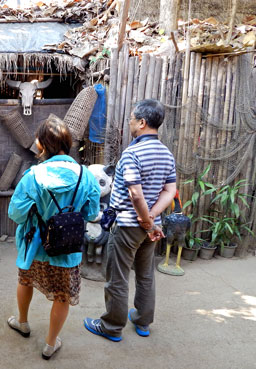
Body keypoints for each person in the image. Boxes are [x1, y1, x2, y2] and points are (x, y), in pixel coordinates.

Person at [7, 116, 101, 360]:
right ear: (66, 143)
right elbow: (91, 213)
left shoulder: (33, 175)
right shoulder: (85, 175)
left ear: (42, 145)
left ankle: (23, 322)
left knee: (25, 280)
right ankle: (50, 343)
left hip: (35, 247)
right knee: (62, 295)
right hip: (67, 250)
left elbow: (15, 214)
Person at [83, 99, 176, 342]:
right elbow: (169, 190)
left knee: (118, 276)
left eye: (132, 119)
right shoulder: (166, 153)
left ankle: (112, 326)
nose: (130, 123)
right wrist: (153, 219)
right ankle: (143, 321)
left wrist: (146, 220)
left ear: (142, 123)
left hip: (128, 225)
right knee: (145, 274)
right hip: (151, 226)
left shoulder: (132, 153)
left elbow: (135, 194)